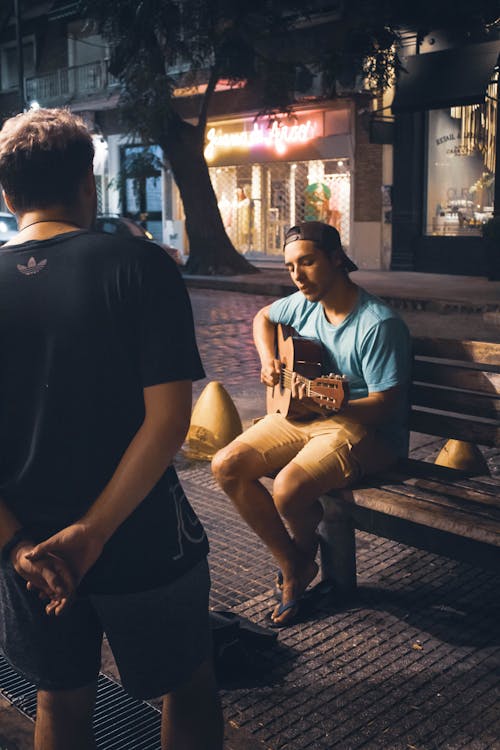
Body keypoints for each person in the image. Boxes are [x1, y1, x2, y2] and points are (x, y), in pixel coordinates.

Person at [0, 108, 223, 750]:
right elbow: (170, 420)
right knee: (187, 686)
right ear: (86, 183)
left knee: (61, 699)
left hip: (31, 550)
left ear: (8, 195)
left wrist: (17, 548)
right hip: (144, 535)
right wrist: (94, 533)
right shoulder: (139, 266)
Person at [212, 221, 411, 628]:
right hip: (304, 416)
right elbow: (263, 318)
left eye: (307, 262)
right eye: (289, 267)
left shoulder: (377, 324)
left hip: (364, 431)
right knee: (226, 465)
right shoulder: (304, 303)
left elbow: (386, 406)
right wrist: (269, 361)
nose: (298, 276)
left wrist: (332, 405)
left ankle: (300, 555)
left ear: (337, 259)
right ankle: (296, 565)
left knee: (288, 489)